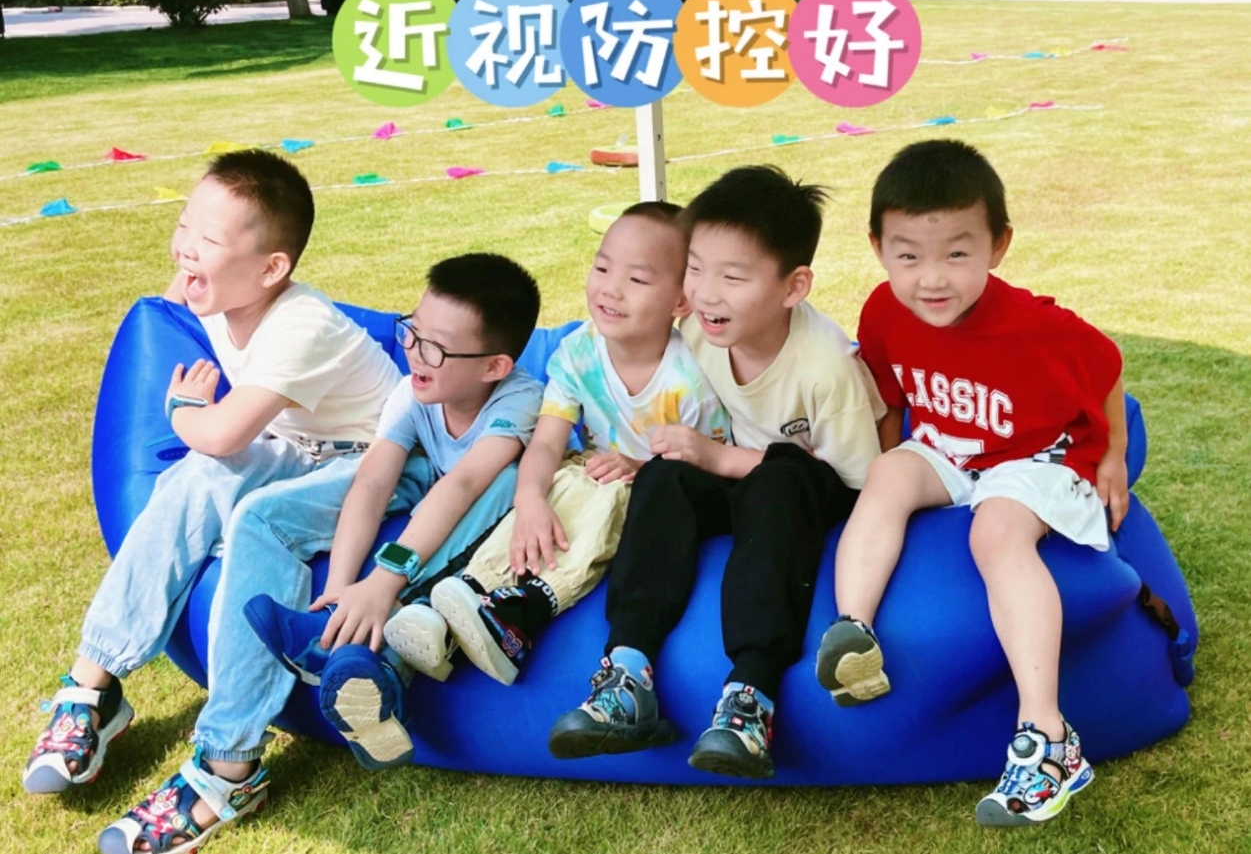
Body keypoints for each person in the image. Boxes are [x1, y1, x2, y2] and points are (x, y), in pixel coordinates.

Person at [22, 150, 402, 854]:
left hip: (379, 462)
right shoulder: (222, 291)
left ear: (271, 268)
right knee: (195, 479)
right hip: (302, 445)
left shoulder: (301, 325)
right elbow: (178, 304)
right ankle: (94, 684)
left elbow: (221, 431)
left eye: (209, 238)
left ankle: (231, 765)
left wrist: (183, 409)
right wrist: (198, 261)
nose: (185, 248)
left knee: (256, 519)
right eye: (183, 226)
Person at [821, 139, 1127, 826]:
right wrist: (889, 464)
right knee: (887, 473)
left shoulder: (1036, 326)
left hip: (1036, 456)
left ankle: (1048, 737)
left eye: (956, 254)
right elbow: (890, 394)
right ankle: (853, 630)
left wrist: (1113, 455)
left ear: (998, 246)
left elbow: (1107, 364)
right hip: (951, 446)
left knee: (995, 532)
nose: (931, 279)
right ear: (877, 248)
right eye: (908, 256)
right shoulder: (883, 309)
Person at [548, 166, 883, 779]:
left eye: (732, 277)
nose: (705, 294)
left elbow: (855, 482)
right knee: (663, 473)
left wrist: (725, 459)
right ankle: (627, 673)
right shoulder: (699, 335)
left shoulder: (825, 366)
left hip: (804, 492)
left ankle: (750, 700)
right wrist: (652, 460)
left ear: (793, 286)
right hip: (733, 478)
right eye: (695, 269)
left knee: (780, 474)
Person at [384, 203, 730, 686]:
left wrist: (641, 467)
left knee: (603, 496)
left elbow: (706, 470)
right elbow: (546, 444)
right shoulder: (578, 353)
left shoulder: (691, 380)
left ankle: (522, 615)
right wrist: (529, 500)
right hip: (587, 472)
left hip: (650, 496)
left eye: (637, 279)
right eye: (602, 268)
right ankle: (460, 597)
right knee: (548, 484)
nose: (610, 288)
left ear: (680, 302)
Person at [244, 253, 544, 770]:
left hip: (509, 532)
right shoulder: (413, 393)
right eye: (412, 332)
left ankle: (361, 662)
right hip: (447, 514)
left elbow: (466, 485)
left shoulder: (521, 399)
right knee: (405, 480)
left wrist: (385, 581)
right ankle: (348, 650)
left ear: (494, 367)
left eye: (436, 348)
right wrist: (341, 587)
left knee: (501, 481)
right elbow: (373, 481)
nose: (415, 354)